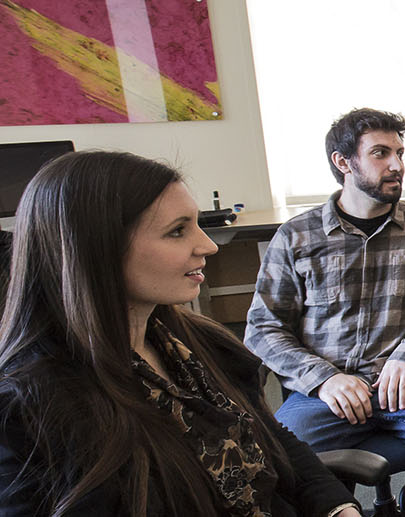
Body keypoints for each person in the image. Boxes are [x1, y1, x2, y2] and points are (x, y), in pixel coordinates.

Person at [0, 151, 359, 516]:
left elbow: (270, 437)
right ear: (96, 249)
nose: (208, 246)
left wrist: (337, 507)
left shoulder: (203, 344)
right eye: (177, 231)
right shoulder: (28, 408)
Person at [245, 108, 405, 455]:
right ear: (343, 162)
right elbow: (263, 328)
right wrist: (323, 379)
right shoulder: (296, 236)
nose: (397, 165)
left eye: (399, 153)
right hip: (327, 392)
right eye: (380, 153)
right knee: (274, 461)